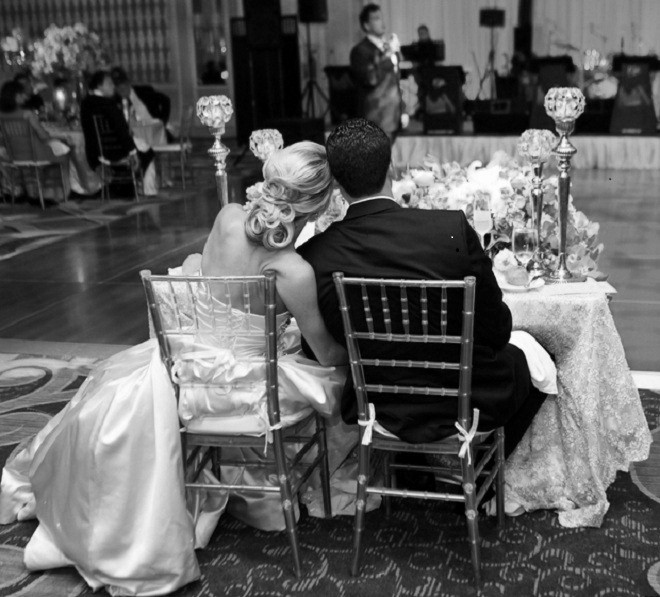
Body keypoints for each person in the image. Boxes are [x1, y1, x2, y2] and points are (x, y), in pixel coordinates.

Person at [0, 141, 354, 595]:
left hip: (185, 365)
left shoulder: (227, 217)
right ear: (318, 205)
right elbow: (326, 353)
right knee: (332, 381)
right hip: (241, 388)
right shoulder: (292, 268)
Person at [298, 118, 548, 456]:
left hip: (376, 406)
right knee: (536, 357)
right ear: (392, 166)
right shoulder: (450, 229)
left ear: (337, 183)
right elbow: (497, 329)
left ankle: (412, 472)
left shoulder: (316, 253)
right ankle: (486, 479)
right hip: (468, 401)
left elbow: (316, 348)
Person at [0, 81, 95, 199]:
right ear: (16, 96)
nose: (25, 97)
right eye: (22, 94)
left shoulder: (2, 115)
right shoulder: (27, 114)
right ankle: (66, 191)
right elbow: (43, 135)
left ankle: (49, 191)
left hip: (15, 155)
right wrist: (57, 138)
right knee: (66, 152)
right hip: (36, 153)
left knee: (60, 149)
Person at [80, 70, 157, 195]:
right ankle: (147, 189)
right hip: (116, 151)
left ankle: (131, 184)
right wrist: (132, 151)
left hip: (95, 152)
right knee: (148, 151)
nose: (113, 86)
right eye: (109, 83)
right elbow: (121, 130)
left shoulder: (85, 103)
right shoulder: (108, 104)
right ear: (99, 86)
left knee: (142, 146)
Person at [350, 3, 403, 137]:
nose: (382, 22)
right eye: (376, 18)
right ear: (366, 25)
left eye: (382, 17)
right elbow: (371, 79)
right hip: (376, 118)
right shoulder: (360, 50)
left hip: (393, 116)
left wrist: (394, 53)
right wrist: (389, 57)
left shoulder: (386, 47)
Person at [111, 66, 173, 138]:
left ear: (128, 82)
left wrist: (162, 122)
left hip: (156, 134)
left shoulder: (144, 91)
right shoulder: (114, 101)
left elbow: (165, 100)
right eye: (117, 85)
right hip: (134, 139)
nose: (120, 87)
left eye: (123, 83)